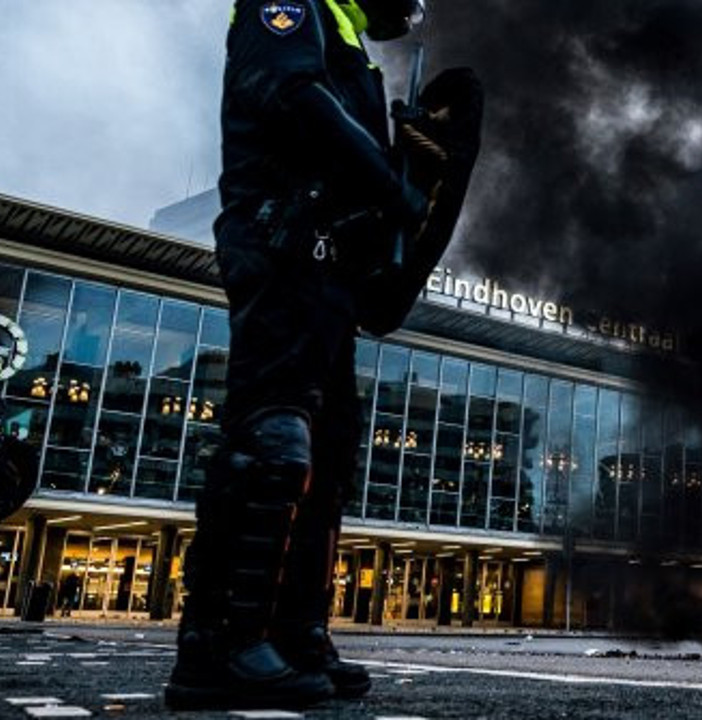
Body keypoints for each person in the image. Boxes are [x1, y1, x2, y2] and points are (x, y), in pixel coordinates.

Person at [165, 0, 479, 709]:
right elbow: (292, 95)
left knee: (329, 457)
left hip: (329, 264)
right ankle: (219, 644)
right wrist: (387, 178)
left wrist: (415, 163)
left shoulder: (346, 35)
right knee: (272, 439)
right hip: (280, 243)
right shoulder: (286, 4)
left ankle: (296, 632)